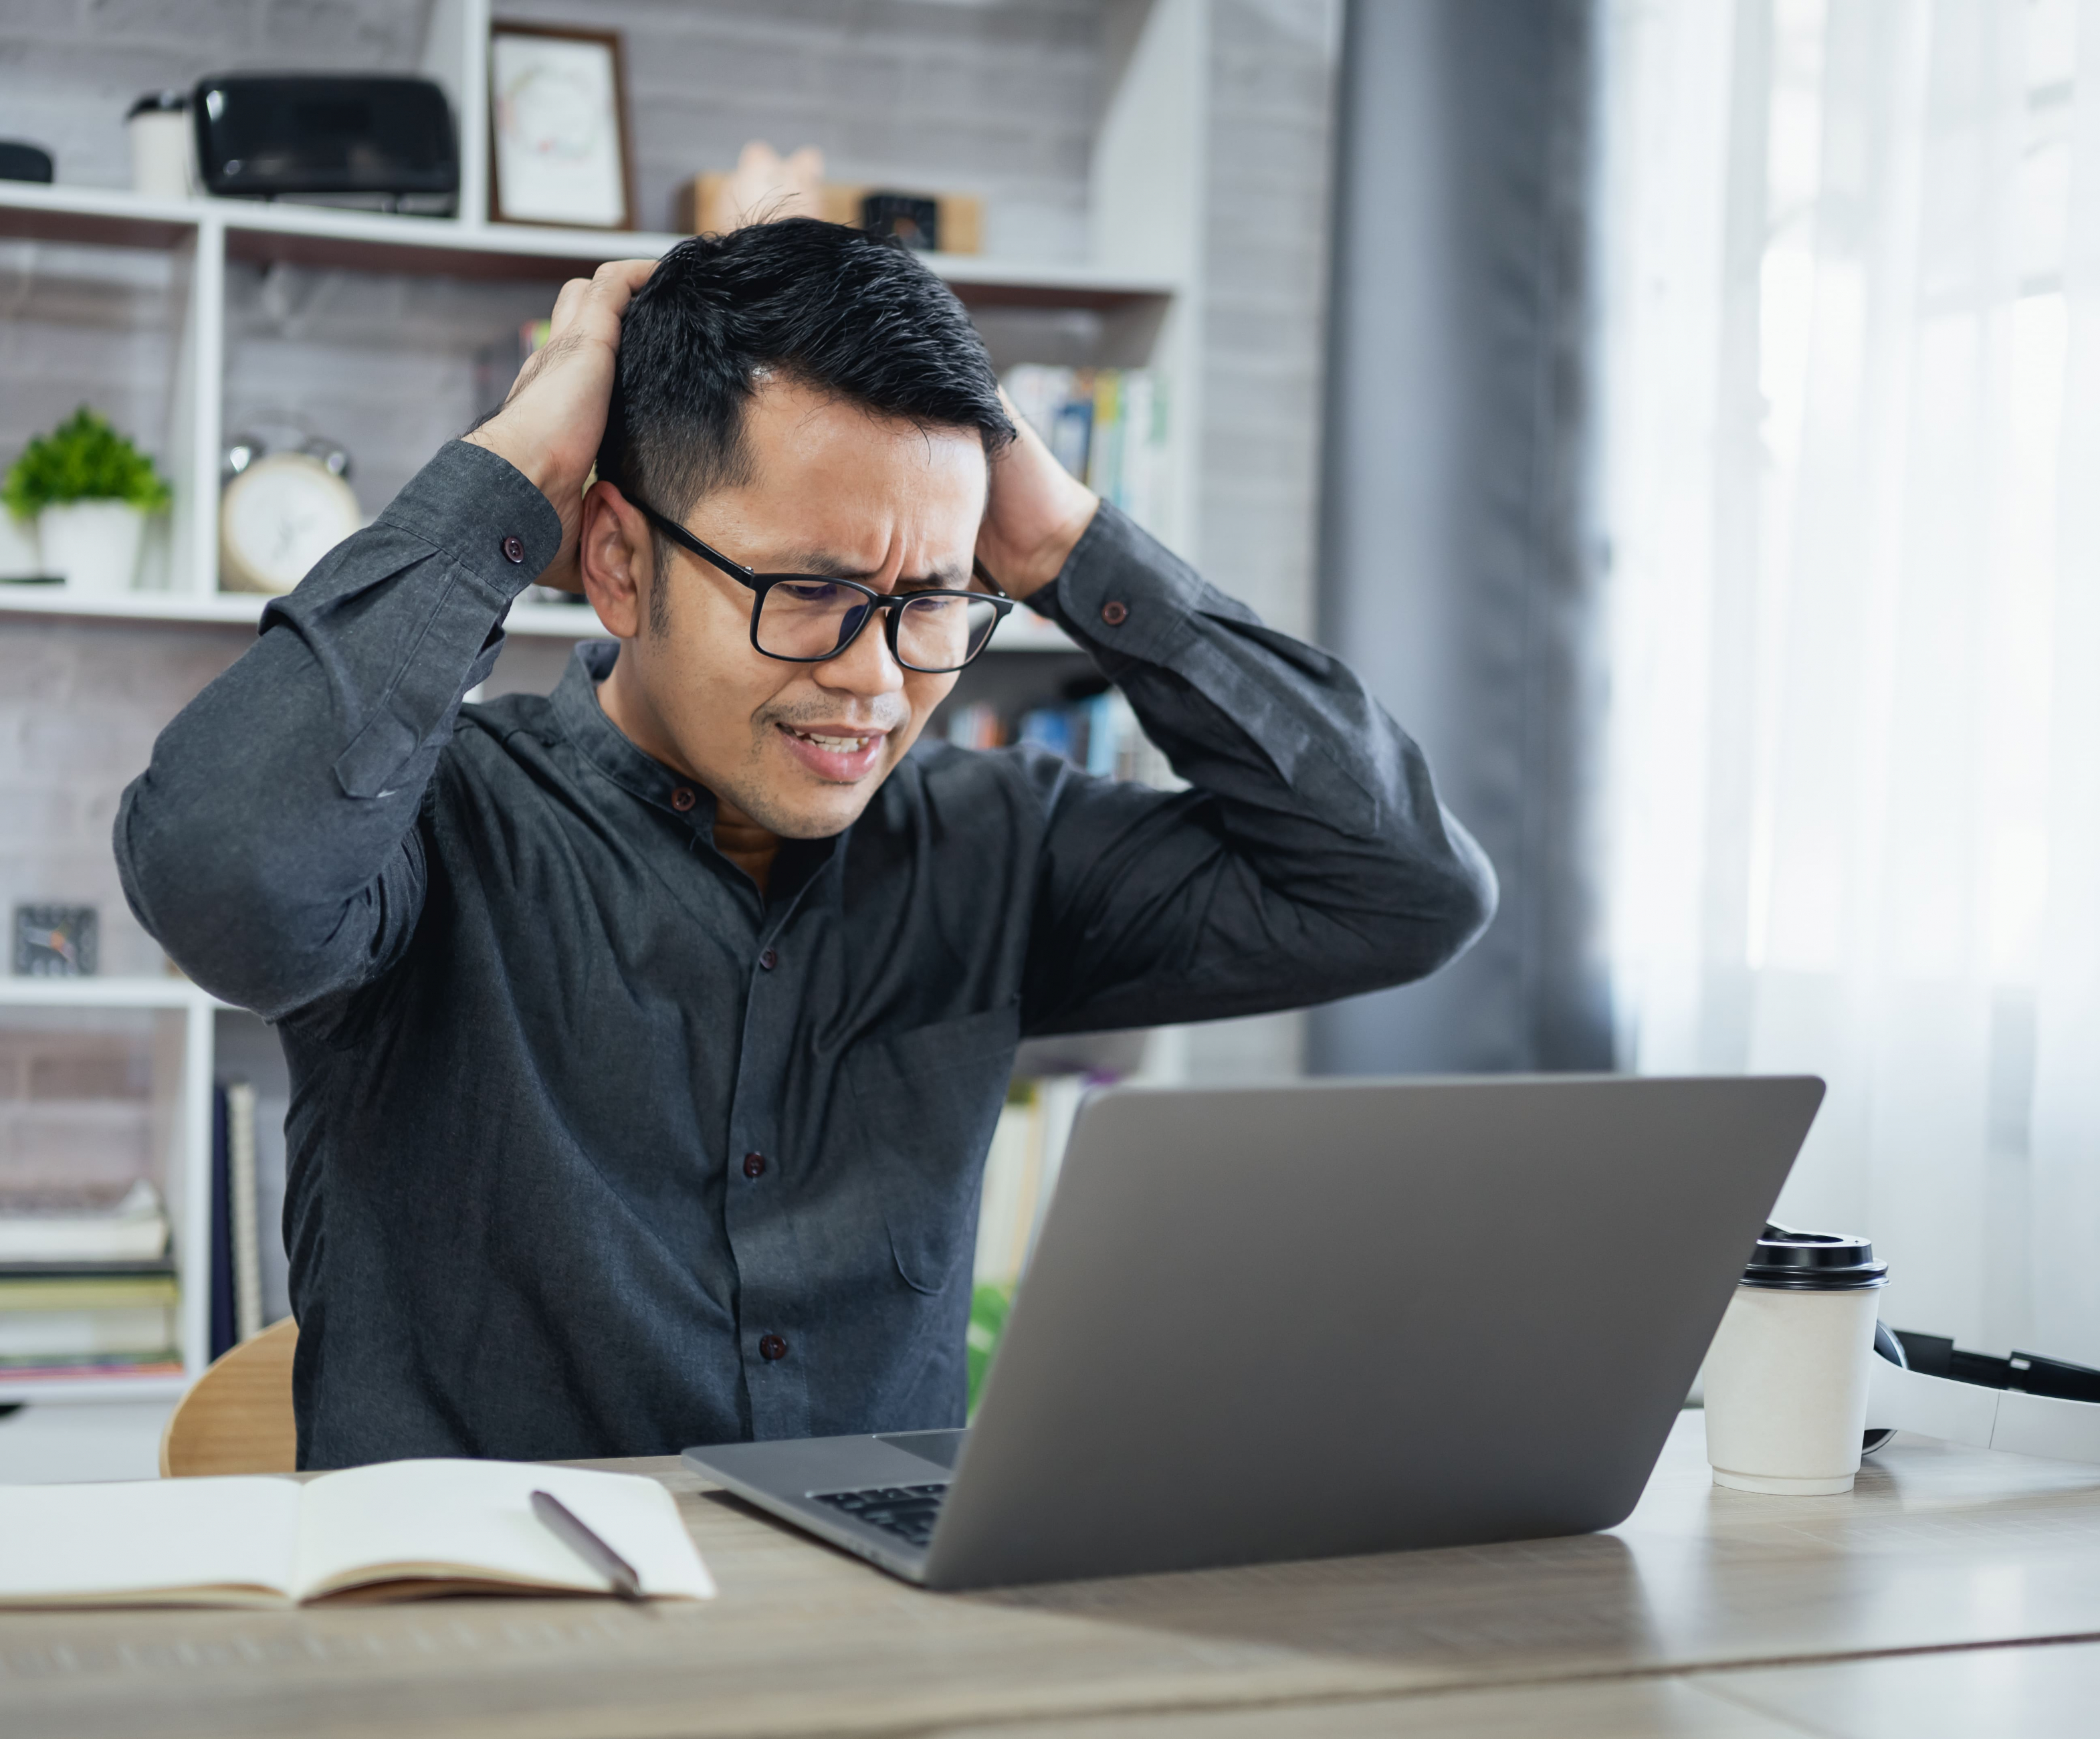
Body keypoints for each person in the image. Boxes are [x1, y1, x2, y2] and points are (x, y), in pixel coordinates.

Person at [116, 219, 1494, 1468]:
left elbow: (1402, 887)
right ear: (617, 561)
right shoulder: (425, 828)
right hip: (489, 1662)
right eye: (815, 592)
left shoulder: (984, 841)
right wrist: (519, 470)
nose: (877, 679)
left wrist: (1070, 545)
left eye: (933, 602)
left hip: (871, 1662)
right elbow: (224, 872)